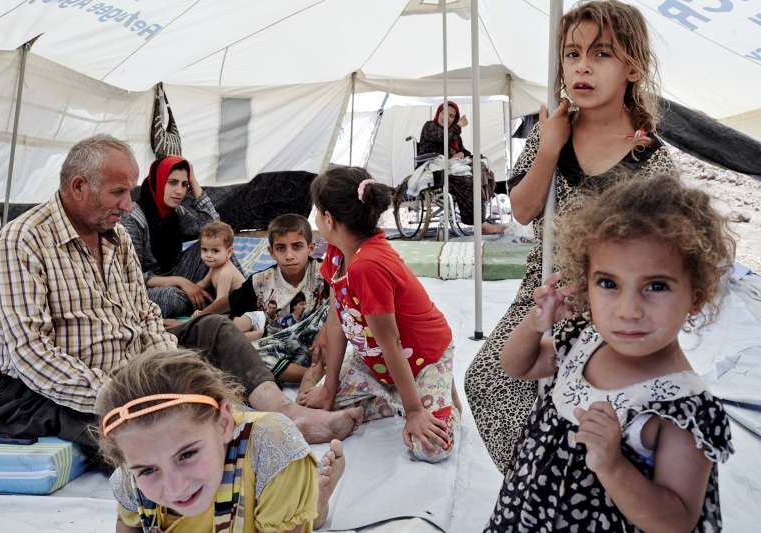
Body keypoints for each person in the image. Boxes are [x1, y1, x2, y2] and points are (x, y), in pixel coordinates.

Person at [0, 135, 361, 462]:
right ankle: (245, 435)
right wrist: (125, 393)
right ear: (78, 188)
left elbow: (144, 316)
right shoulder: (21, 244)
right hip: (55, 390)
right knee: (155, 435)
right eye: (118, 192)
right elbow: (31, 354)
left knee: (214, 328)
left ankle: (285, 413)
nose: (127, 204)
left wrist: (166, 367)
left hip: (134, 365)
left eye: (130, 192)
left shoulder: (115, 235)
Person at [464, 0, 678, 473]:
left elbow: (664, 260)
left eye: (601, 54)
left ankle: (582, 491)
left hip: (612, 309)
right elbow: (521, 210)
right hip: (542, 293)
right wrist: (550, 148)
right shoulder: (551, 133)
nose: (582, 65)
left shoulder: (651, 160)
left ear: (633, 67)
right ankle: (534, 485)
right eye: (571, 53)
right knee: (488, 379)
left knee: (587, 411)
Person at [483, 174, 734, 532]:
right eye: (609, 284)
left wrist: (613, 466)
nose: (628, 310)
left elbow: (676, 522)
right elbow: (516, 366)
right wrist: (535, 324)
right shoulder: (585, 341)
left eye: (656, 286)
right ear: (586, 282)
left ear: (695, 297)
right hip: (526, 514)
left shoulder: (681, 408)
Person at [299, 167, 458, 463]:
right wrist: (330, 388)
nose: (317, 221)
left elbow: (392, 343)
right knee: (318, 408)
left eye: (317, 214)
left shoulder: (369, 266)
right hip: (377, 360)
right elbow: (337, 321)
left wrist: (413, 412)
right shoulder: (335, 255)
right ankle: (399, 396)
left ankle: (432, 393)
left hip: (422, 357)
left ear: (329, 220)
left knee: (432, 449)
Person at [98, 349, 345, 533]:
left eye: (187, 455)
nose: (176, 487)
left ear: (224, 423)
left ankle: (312, 506)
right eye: (148, 470)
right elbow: (128, 525)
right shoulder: (130, 476)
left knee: (291, 513)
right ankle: (312, 505)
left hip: (263, 504)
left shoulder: (270, 447)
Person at [223, 214, 332, 384]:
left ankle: (323, 371)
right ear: (271, 252)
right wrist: (197, 319)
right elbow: (230, 303)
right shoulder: (260, 281)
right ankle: (314, 375)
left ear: (310, 248)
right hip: (280, 349)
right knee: (247, 355)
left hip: (319, 344)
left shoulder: (324, 273)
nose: (289, 255)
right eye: (281, 248)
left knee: (335, 304)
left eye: (297, 247)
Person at [122, 155, 219, 318]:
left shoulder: (176, 212)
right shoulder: (133, 218)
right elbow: (132, 276)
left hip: (174, 275)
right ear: (158, 181)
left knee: (218, 249)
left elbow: (215, 230)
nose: (179, 191)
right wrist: (181, 282)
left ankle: (243, 296)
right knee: (172, 298)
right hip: (143, 288)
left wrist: (194, 182)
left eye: (184, 185)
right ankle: (217, 300)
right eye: (172, 182)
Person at [417, 100, 504, 235]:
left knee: (485, 174)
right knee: (468, 181)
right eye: (444, 113)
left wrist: (467, 156)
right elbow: (442, 137)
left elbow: (463, 151)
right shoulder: (430, 127)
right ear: (439, 113)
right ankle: (480, 225)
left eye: (452, 116)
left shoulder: (455, 135)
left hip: (453, 169)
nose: (447, 118)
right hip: (434, 170)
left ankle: (481, 218)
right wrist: (458, 126)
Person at [190, 221, 244, 318]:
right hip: (231, 309)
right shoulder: (214, 267)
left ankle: (254, 333)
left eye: (215, 251)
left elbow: (219, 303)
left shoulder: (225, 273)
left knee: (225, 327)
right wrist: (188, 290)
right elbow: (202, 284)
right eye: (204, 250)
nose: (209, 255)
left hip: (247, 312)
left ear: (229, 252)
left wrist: (201, 315)